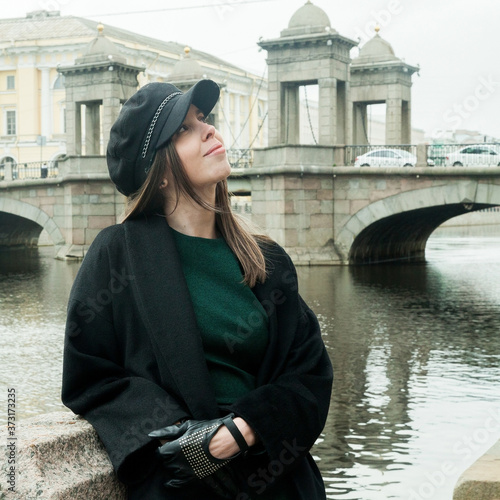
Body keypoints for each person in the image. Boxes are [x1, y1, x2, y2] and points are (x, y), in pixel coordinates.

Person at [61, 79, 333, 499]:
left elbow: (310, 372)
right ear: (160, 171)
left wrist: (243, 429)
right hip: (180, 485)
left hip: (279, 481)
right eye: (184, 129)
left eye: (203, 119)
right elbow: (91, 377)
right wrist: (185, 437)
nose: (209, 130)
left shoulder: (266, 259)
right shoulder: (118, 254)